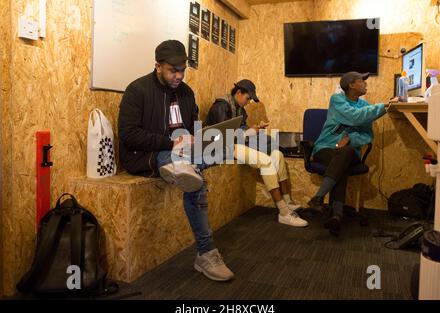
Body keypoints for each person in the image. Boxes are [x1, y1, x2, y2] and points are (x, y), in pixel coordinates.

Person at [118, 40, 234, 282]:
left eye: (183, 69)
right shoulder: (137, 90)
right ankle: (206, 252)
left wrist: (201, 140)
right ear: (158, 66)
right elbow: (129, 135)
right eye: (173, 70)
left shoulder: (187, 93)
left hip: (181, 153)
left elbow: (192, 129)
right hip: (147, 156)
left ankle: (186, 167)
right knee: (196, 183)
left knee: (220, 150)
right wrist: (171, 143)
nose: (179, 75)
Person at [206, 79, 308, 228]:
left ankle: (287, 201)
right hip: (223, 147)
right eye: (247, 98)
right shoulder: (221, 106)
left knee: (277, 155)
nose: (248, 102)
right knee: (266, 161)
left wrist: (254, 129)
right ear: (239, 93)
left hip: (237, 143)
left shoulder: (240, 108)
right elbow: (221, 138)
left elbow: (242, 129)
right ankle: (284, 213)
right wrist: (248, 133)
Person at [307, 71, 398, 236]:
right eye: (362, 81)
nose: (366, 84)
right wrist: (383, 107)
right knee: (341, 166)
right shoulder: (337, 100)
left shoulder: (364, 105)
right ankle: (337, 216)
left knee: (346, 152)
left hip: (350, 152)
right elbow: (354, 117)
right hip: (326, 148)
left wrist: (349, 138)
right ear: (351, 85)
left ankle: (318, 197)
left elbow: (367, 135)